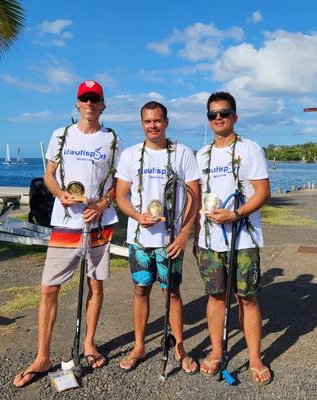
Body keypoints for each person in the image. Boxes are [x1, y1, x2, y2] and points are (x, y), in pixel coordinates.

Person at [13, 80, 121, 388]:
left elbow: (118, 181)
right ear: (77, 104)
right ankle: (43, 357)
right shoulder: (61, 135)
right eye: (84, 98)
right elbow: (49, 174)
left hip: (98, 223)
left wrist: (102, 203)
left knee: (95, 286)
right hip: (65, 223)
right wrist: (60, 194)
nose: (89, 103)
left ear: (102, 105)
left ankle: (88, 344)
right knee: (49, 289)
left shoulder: (112, 139)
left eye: (95, 98)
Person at [114, 101, 200, 374]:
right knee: (141, 290)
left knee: (172, 292)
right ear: (142, 124)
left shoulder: (182, 153)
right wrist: (138, 216)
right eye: (148, 121)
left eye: (157, 120)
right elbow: (120, 195)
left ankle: (179, 348)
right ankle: (139, 346)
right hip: (140, 239)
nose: (153, 125)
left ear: (166, 122)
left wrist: (185, 232)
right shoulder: (129, 155)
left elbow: (193, 196)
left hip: (170, 240)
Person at [194, 91, 272, 385]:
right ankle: (216, 352)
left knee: (246, 298)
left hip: (243, 240)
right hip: (210, 240)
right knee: (215, 296)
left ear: (234, 117)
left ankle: (255, 358)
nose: (218, 118)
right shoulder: (201, 154)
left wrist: (236, 214)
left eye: (224, 113)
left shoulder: (249, 149)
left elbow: (263, 193)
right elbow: (195, 197)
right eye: (212, 114)